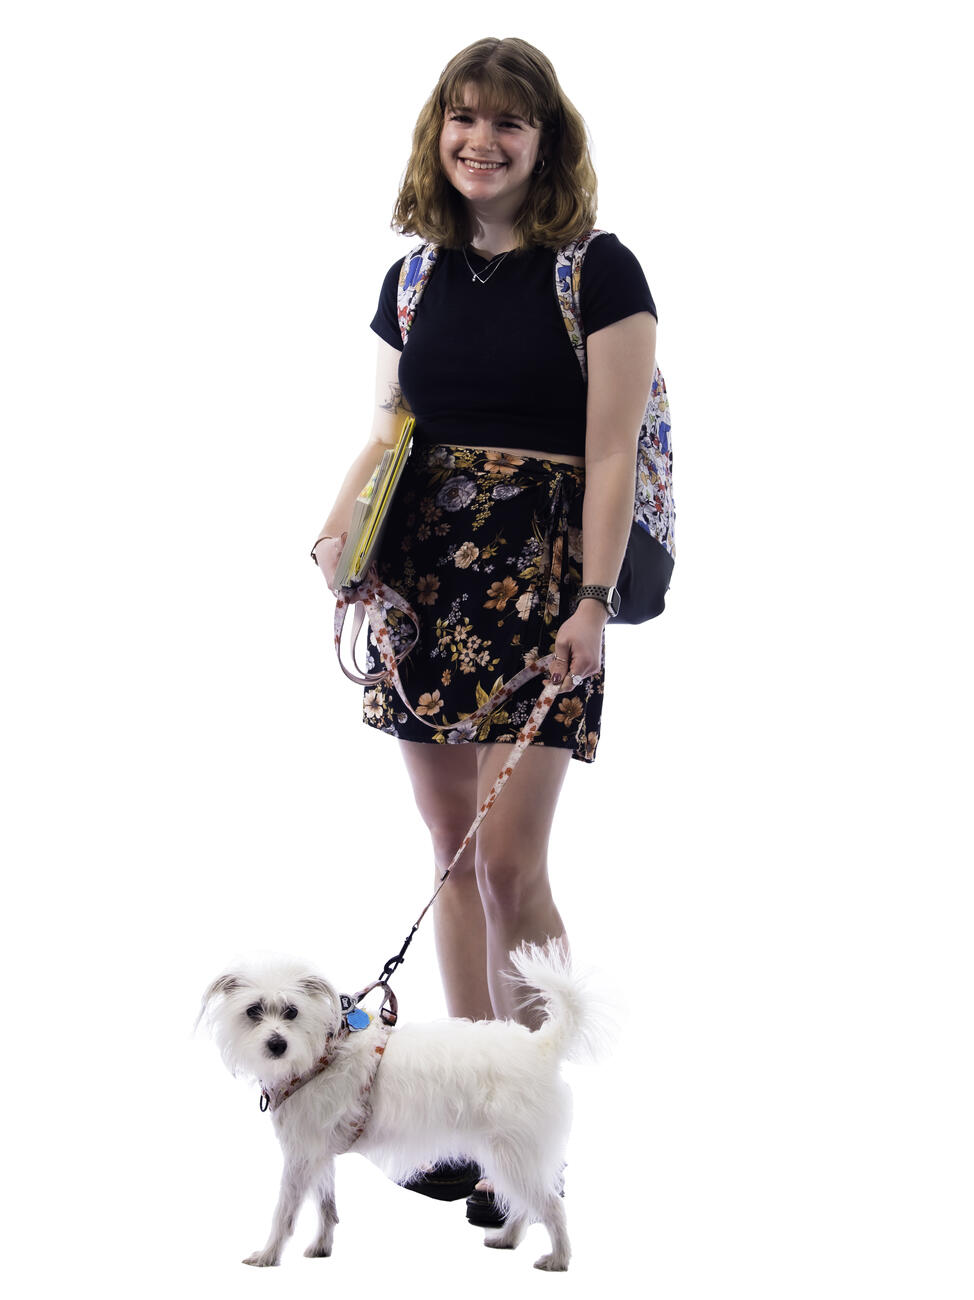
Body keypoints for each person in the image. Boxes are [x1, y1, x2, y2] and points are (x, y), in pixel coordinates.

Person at [312, 36, 658, 1209]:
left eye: (508, 122)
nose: (482, 140)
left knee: (511, 861)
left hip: (540, 577)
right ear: (437, 131)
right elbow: (385, 428)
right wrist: (334, 528)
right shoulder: (411, 278)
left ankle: (530, 1120)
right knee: (450, 852)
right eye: (463, 117)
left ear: (544, 140)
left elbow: (608, 450)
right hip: (422, 579)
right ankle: (465, 1117)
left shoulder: (597, 272)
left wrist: (593, 601)